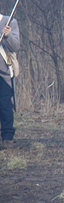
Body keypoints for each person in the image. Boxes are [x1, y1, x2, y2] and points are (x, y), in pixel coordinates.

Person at [0, 13, 20, 149]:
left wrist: (7, 35)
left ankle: (7, 137)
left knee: (4, 104)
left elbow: (15, 46)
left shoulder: (9, 21)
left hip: (3, 72)